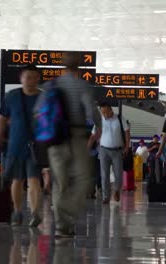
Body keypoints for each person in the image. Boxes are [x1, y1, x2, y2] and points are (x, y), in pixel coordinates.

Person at [41, 52, 101, 238]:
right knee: (83, 179)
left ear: (62, 66)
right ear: (80, 67)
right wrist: (98, 126)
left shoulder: (51, 85)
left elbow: (39, 112)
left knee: (60, 183)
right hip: (76, 137)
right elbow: (91, 111)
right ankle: (66, 211)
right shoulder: (81, 85)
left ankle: (62, 225)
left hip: (55, 140)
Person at [0, 65, 42, 227]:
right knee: (17, 180)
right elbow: (2, 118)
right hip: (15, 144)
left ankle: (35, 213)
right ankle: (18, 211)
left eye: (34, 78)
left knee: (34, 180)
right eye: (28, 77)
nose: (31, 81)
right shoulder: (12, 96)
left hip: (36, 145)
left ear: (38, 79)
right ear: (21, 79)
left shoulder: (44, 98)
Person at [91, 102, 130, 204]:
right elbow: (94, 134)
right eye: (103, 113)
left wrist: (127, 146)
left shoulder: (120, 118)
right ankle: (106, 196)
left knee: (118, 174)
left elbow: (127, 132)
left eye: (106, 112)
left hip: (118, 151)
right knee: (104, 175)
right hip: (104, 150)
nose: (105, 115)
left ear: (111, 110)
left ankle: (116, 190)